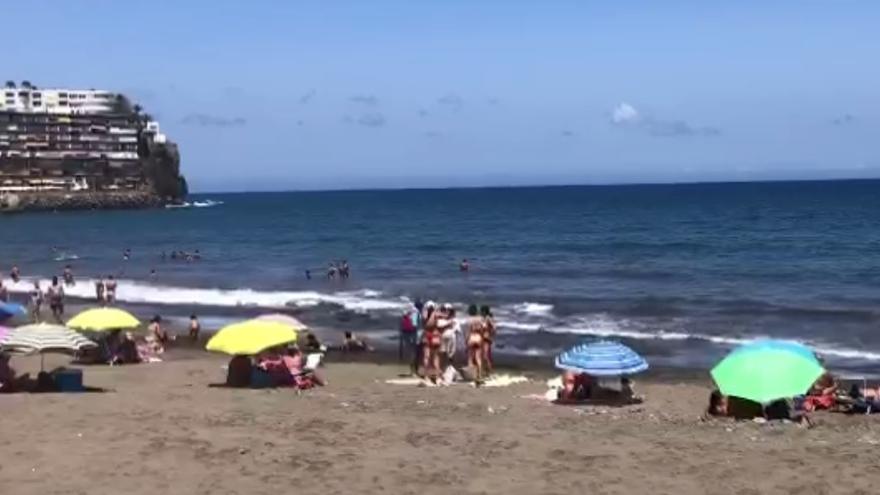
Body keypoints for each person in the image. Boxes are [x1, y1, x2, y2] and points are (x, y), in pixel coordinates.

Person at [421, 305, 442, 379]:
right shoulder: (435, 315)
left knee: (426, 356)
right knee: (436, 357)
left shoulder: (425, 316)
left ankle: (426, 375)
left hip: (427, 335)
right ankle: (437, 376)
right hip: (435, 335)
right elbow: (443, 317)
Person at [466, 304, 485, 383]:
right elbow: (482, 329)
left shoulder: (469, 319)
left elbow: (468, 331)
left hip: (472, 337)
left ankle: (471, 376)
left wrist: (466, 340)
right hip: (478, 337)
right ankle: (479, 376)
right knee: (478, 358)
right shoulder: (480, 319)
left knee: (470, 358)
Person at [480, 305, 496, 376]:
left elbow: (494, 327)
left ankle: (490, 372)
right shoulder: (482, 319)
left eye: (482, 311)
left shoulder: (488, 318)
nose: (480, 313)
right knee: (483, 356)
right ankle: (485, 372)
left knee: (486, 356)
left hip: (486, 339)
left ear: (484, 311)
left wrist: (490, 334)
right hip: (482, 339)